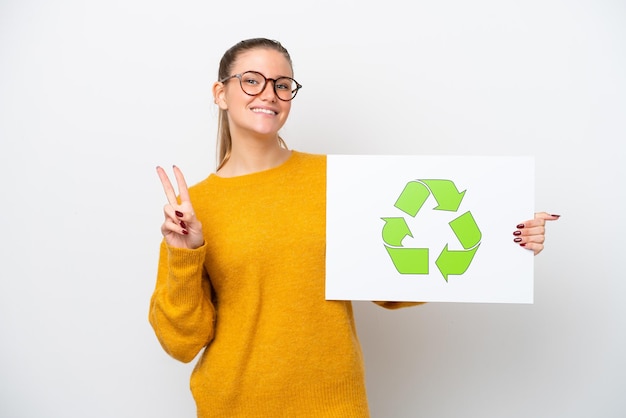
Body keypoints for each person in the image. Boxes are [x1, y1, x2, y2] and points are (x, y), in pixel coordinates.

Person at [149, 38, 560, 418]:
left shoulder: (338, 180)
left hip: (334, 402)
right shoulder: (193, 208)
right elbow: (182, 342)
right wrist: (185, 255)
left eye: (282, 84)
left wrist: (505, 242)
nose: (268, 95)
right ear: (221, 93)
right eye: (251, 81)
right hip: (233, 405)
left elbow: (393, 279)